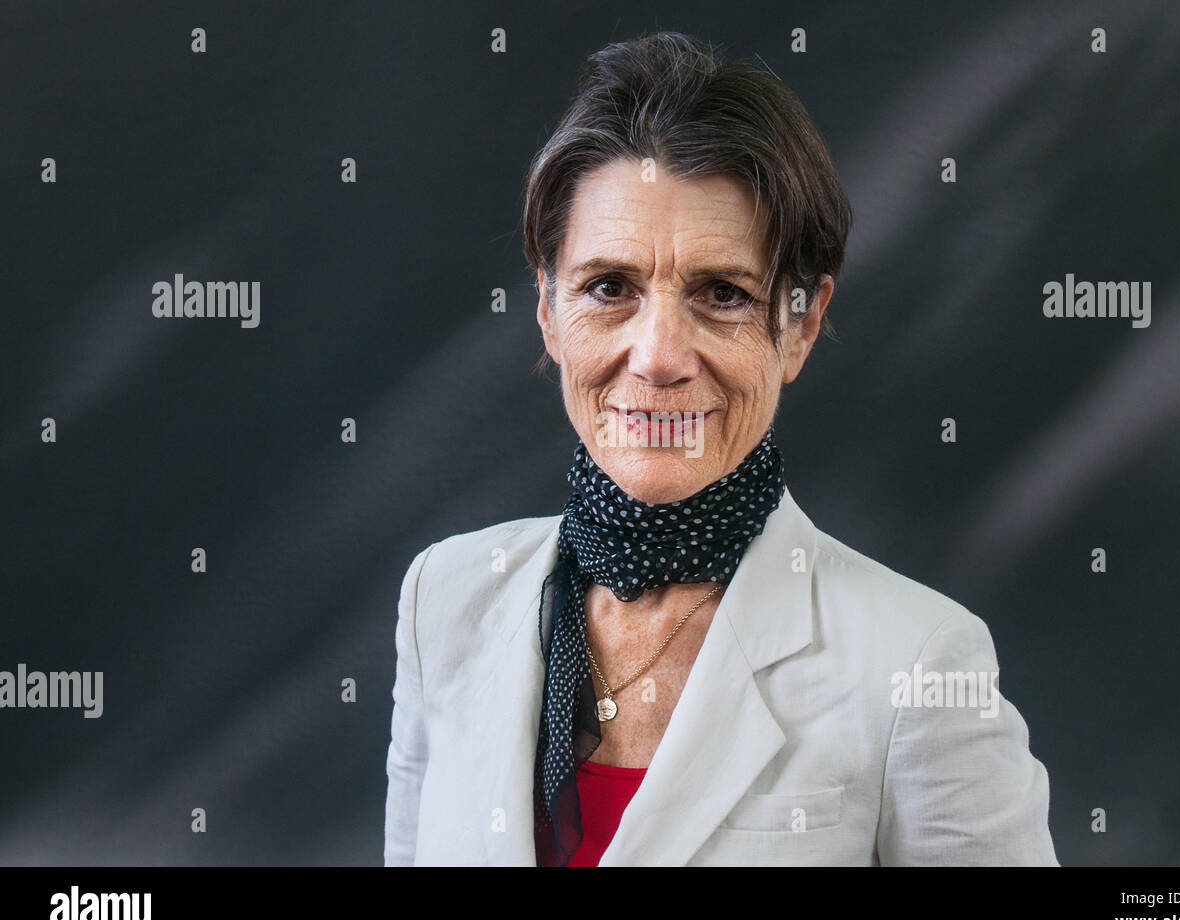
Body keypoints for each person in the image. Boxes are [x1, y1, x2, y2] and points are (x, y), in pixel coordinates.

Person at [384, 30, 1057, 866]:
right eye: (608, 287)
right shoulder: (442, 604)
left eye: (722, 293)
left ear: (800, 325)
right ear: (549, 312)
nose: (660, 354)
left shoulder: (919, 664)